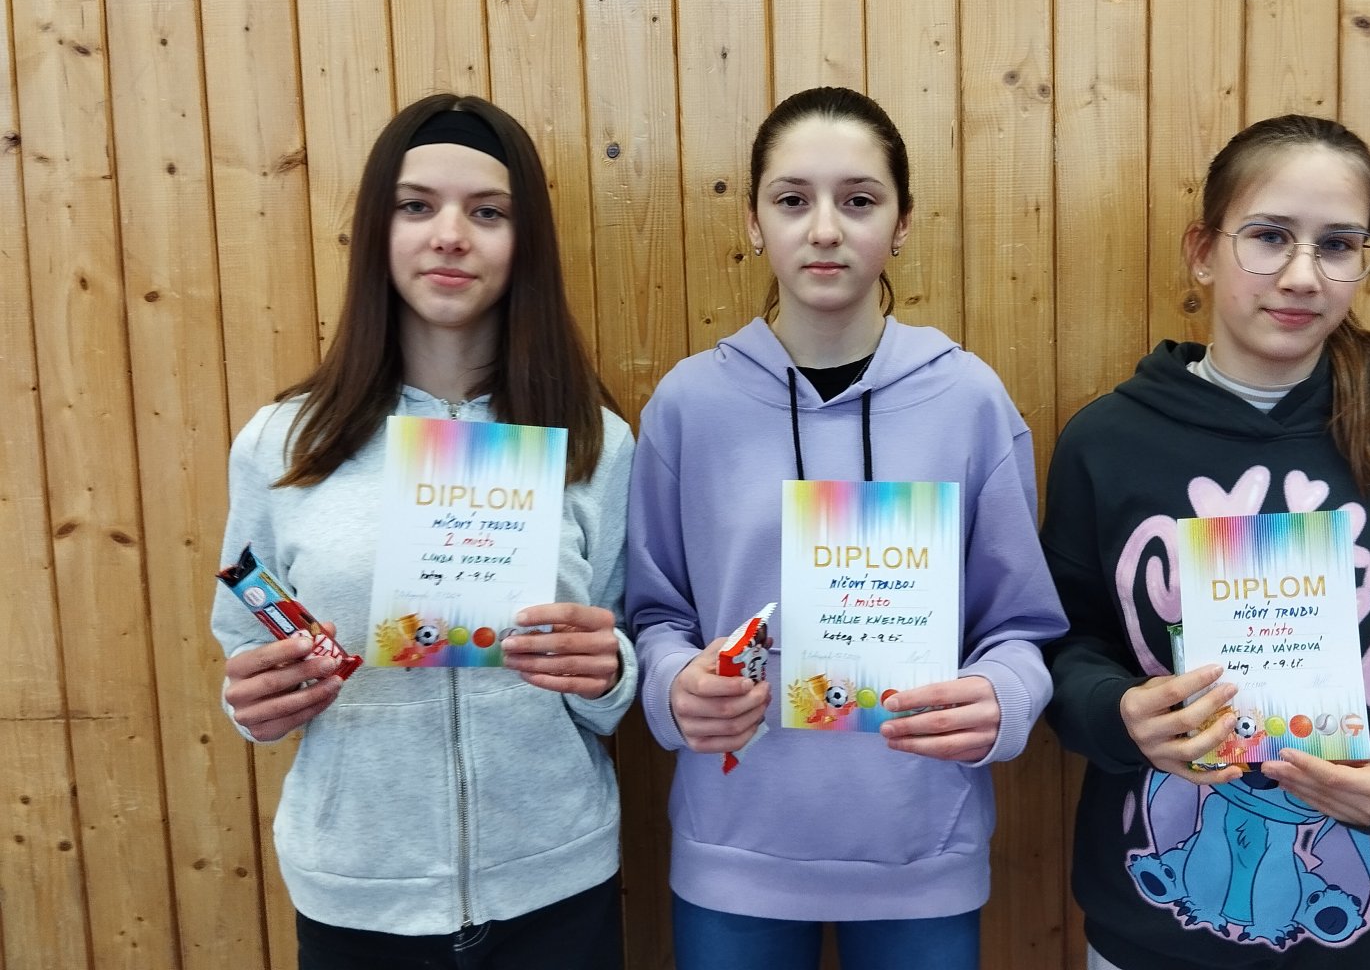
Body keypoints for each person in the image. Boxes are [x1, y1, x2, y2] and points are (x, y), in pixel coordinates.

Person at [1041, 114, 1370, 970]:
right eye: (1267, 236)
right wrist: (1113, 711)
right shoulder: (1107, 443)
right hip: (1151, 940)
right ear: (1203, 251)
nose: (1299, 274)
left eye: (1336, 245)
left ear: (1364, 261)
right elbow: (1062, 642)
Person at [625, 85, 1068, 970]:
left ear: (900, 224)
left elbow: (1019, 625)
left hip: (921, 851)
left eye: (858, 200)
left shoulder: (968, 398)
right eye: (793, 200)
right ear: (754, 223)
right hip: (734, 848)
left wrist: (1004, 699)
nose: (824, 229)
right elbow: (654, 612)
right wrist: (673, 686)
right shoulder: (688, 404)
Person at [211, 94, 635, 969]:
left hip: (556, 882)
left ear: (524, 242)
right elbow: (247, 650)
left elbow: (617, 667)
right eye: (416, 206)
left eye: (487, 212)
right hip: (357, 891)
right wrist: (253, 702)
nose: (450, 236)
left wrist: (610, 673)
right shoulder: (280, 444)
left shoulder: (595, 443)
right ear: (379, 229)